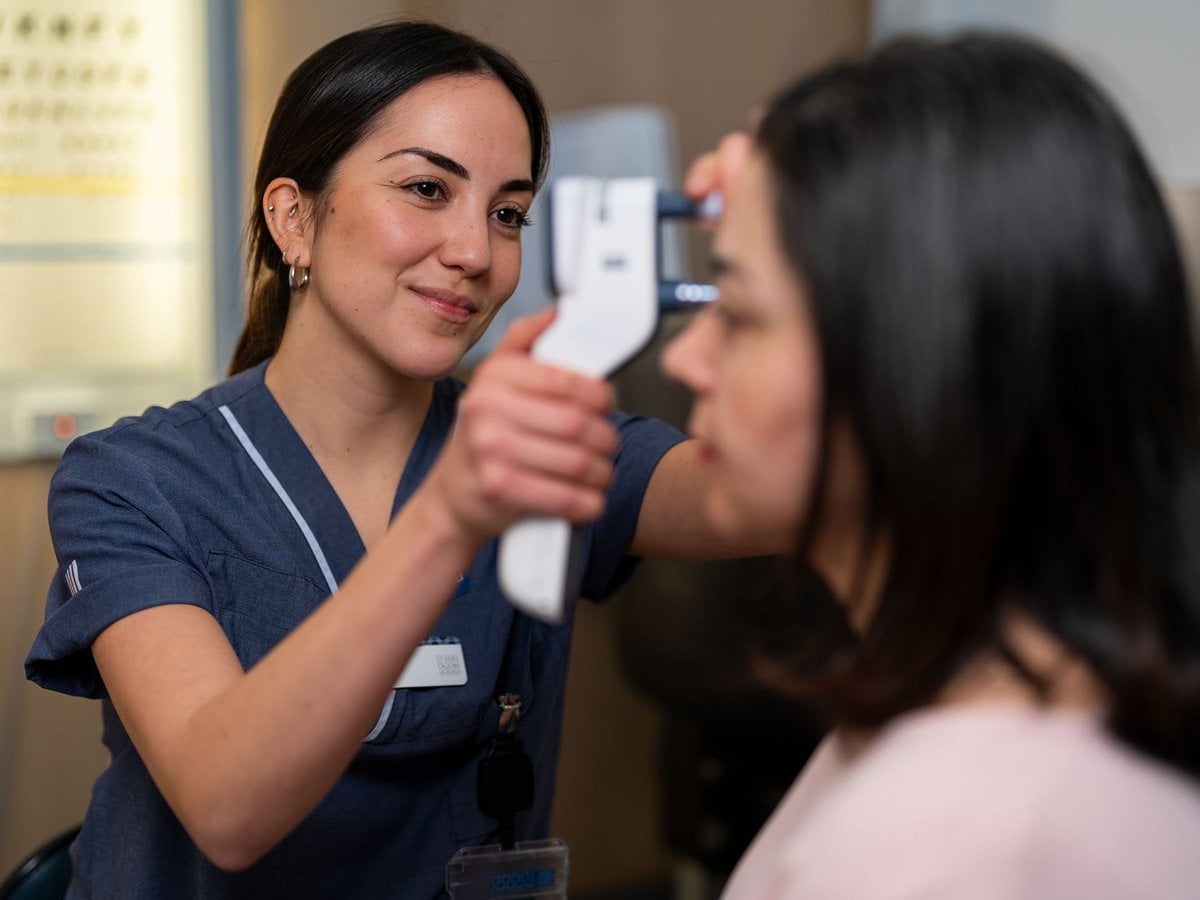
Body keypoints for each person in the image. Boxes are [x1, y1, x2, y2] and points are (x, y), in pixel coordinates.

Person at [24, 20, 759, 899]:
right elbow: (228, 809)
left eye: (507, 213)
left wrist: (817, 253)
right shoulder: (132, 481)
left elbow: (766, 497)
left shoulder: (539, 434)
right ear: (293, 217)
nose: (475, 253)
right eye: (424, 188)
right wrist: (453, 514)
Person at [663, 33, 1200, 898]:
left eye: (738, 314)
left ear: (913, 364)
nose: (687, 358)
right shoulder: (976, 714)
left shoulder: (938, 841)